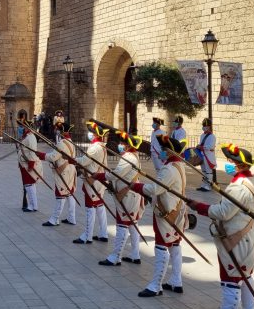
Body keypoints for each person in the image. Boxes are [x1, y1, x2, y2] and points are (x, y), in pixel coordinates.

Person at [187, 143, 254, 309]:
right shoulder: (246, 182)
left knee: (231, 280)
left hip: (236, 241)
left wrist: (200, 207)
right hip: (244, 238)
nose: (227, 164)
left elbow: (223, 212)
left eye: (230, 161)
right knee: (245, 277)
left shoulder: (239, 187)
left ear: (238, 165)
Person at [130, 135, 187, 297]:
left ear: (169, 152)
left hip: (167, 212)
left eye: (163, 150)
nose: (161, 152)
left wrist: (137, 186)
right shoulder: (178, 165)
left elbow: (155, 189)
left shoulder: (168, 169)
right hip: (176, 211)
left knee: (162, 245)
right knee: (174, 245)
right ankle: (176, 281)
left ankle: (156, 285)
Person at [98, 130, 146, 266]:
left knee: (122, 224)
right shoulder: (132, 155)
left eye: (122, 143)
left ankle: (115, 256)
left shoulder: (129, 157)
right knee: (132, 224)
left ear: (126, 145)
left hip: (127, 196)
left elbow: (117, 174)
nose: (119, 145)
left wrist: (100, 175)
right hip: (130, 195)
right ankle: (135, 254)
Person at [74, 122, 109, 244]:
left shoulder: (95, 147)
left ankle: (87, 236)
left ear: (95, 134)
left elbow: (84, 161)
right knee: (99, 206)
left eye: (91, 132)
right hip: (99, 181)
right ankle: (103, 233)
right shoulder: (101, 146)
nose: (89, 134)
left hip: (93, 181)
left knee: (90, 207)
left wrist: (73, 160)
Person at [42, 127, 77, 227]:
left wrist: (42, 155)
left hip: (64, 171)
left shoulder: (61, 143)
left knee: (60, 194)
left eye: (58, 130)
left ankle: (54, 219)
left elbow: (53, 157)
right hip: (71, 170)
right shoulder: (70, 142)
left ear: (61, 132)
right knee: (70, 194)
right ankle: (72, 217)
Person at [15, 110, 39, 213]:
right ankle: (33, 205)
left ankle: (32, 205)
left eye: (24, 126)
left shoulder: (31, 137)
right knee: (29, 185)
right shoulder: (27, 136)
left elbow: (32, 152)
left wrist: (31, 164)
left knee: (29, 185)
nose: (23, 128)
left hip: (27, 164)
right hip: (24, 163)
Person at [196, 118, 217, 192]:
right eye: (203, 125)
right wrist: (199, 146)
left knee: (208, 171)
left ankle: (208, 186)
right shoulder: (202, 135)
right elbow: (202, 144)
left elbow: (211, 146)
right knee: (204, 171)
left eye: (206, 126)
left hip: (208, 155)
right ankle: (203, 185)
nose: (204, 127)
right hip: (202, 155)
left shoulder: (212, 136)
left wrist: (202, 147)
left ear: (209, 127)